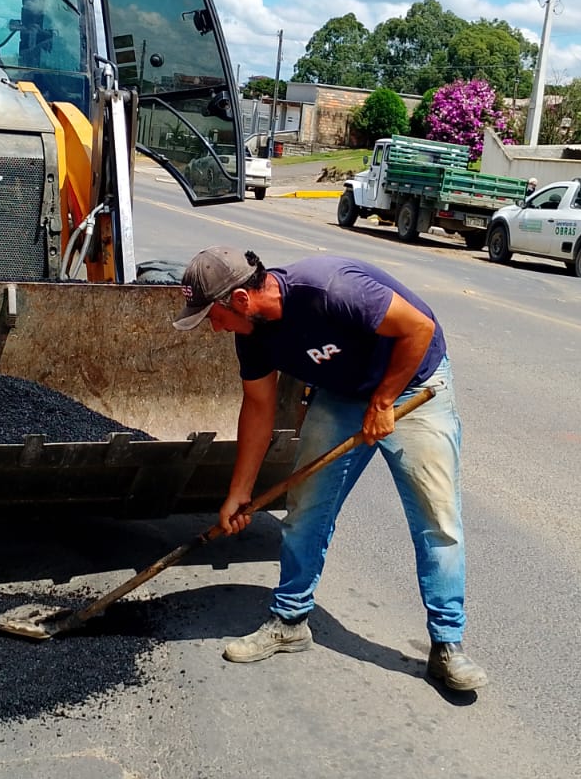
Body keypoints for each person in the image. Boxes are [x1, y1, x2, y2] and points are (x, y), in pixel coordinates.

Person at [173, 247, 488, 692]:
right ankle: (290, 619)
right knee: (305, 511)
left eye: (213, 315)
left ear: (240, 300)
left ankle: (447, 646)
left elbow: (419, 328)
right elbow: (259, 408)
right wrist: (238, 491)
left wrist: (382, 402)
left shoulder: (330, 289)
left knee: (437, 520)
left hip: (413, 384)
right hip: (341, 395)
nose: (213, 327)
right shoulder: (253, 335)